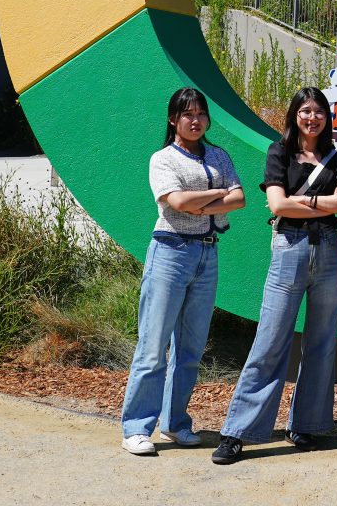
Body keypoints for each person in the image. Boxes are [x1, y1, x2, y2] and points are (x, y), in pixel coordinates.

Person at [212, 87, 337, 464]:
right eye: (306, 111)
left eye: (319, 112)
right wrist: (319, 203)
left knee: (322, 342)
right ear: (295, 115)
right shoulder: (279, 153)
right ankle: (238, 432)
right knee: (270, 340)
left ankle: (306, 425)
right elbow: (277, 204)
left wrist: (301, 202)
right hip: (288, 248)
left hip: (328, 250)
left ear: (328, 118)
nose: (312, 118)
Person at [121, 87, 245, 456]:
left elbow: (239, 199)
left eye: (201, 114)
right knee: (153, 346)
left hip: (208, 254)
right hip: (170, 253)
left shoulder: (219, 154)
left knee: (190, 348)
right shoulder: (163, 159)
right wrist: (214, 197)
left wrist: (198, 206)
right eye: (187, 114)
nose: (195, 121)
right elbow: (174, 202)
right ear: (173, 119)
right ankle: (137, 427)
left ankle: (175, 423)